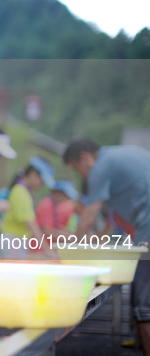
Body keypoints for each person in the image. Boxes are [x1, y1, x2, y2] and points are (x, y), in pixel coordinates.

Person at [63, 138, 150, 354]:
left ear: (85, 157)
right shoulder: (120, 156)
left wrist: (70, 255)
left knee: (143, 306)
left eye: (77, 169)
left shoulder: (101, 167)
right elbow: (110, 227)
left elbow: (88, 218)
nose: (84, 176)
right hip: (144, 231)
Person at [0, 156, 55, 258]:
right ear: (33, 173)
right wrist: (46, 250)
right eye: (41, 181)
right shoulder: (20, 192)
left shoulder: (24, 191)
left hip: (17, 240)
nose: (41, 185)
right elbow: (31, 223)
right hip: (13, 240)